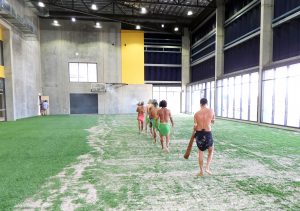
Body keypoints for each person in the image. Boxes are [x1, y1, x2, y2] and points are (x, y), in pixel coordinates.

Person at [194, 98, 215, 176]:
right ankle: (207, 168)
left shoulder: (196, 114)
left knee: (200, 152)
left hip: (199, 133)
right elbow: (213, 121)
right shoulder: (211, 110)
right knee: (211, 150)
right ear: (207, 103)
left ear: (200, 104)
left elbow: (195, 126)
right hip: (207, 133)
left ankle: (201, 171)